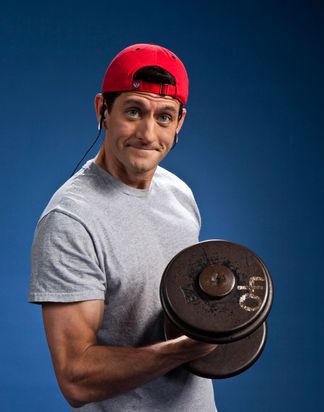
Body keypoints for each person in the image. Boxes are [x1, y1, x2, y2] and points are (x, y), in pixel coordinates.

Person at [29, 43, 218, 411]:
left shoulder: (180, 195)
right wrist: (184, 349)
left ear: (180, 122)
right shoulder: (72, 221)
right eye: (134, 111)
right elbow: (76, 377)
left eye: (164, 117)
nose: (148, 133)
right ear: (103, 110)